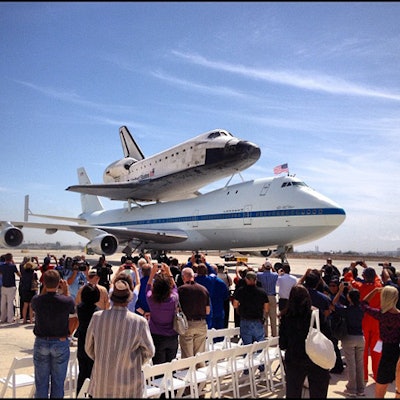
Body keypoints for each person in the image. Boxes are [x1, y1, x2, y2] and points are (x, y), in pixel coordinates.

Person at [85, 279, 155, 398]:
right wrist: (133, 362)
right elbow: (150, 351)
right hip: (129, 385)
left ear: (112, 298)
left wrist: (104, 359)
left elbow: (88, 348)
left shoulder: (97, 317)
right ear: (129, 299)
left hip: (102, 382)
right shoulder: (139, 322)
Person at [279, 284, 330, 398]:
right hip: (316, 358)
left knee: (293, 392)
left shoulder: (286, 316)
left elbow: (282, 344)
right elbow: (328, 335)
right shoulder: (316, 314)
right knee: (319, 392)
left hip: (295, 359)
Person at [31, 270, 75, 398]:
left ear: (44, 283)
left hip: (41, 341)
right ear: (58, 283)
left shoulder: (37, 300)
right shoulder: (66, 301)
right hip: (60, 342)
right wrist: (66, 290)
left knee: (41, 382)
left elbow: (39, 300)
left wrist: (46, 287)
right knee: (58, 382)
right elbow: (71, 307)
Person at [344, 264, 382, 382]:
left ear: (364, 277)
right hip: (376, 322)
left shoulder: (359, 286)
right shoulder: (379, 286)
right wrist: (366, 266)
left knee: (363, 351)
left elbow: (348, 278)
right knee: (376, 350)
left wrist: (351, 267)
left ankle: (364, 376)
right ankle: (377, 375)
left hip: (364, 321)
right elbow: (376, 277)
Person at [361, 285, 400, 398]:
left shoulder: (381, 314)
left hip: (386, 353)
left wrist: (375, 291)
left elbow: (363, 304)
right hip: (397, 351)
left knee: (379, 392)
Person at [332, 283, 365, 397]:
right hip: (360, 337)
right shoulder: (361, 308)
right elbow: (360, 301)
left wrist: (340, 291)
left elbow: (334, 303)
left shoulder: (346, 310)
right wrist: (352, 291)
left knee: (351, 365)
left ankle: (352, 388)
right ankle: (361, 389)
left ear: (349, 298)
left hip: (349, 338)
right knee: (359, 364)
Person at [146, 262, 179, 365]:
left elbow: (147, 288)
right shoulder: (173, 299)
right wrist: (169, 273)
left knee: (159, 368)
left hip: (157, 336)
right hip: (172, 336)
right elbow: (174, 287)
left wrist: (152, 274)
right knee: (170, 367)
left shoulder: (151, 298)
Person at [177, 267, 210, 360]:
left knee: (188, 357)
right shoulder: (203, 289)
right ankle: (199, 372)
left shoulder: (181, 290)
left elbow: (177, 308)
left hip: (187, 324)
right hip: (201, 323)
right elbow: (207, 311)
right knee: (200, 356)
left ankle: (189, 373)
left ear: (183, 277)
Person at [76, 283, 101, 396]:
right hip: (94, 344)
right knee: (93, 375)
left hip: (82, 342)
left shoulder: (80, 308)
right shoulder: (98, 312)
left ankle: (80, 394)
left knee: (82, 373)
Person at [232, 270, 269, 346]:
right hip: (258, 320)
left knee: (247, 346)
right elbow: (266, 308)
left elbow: (235, 305)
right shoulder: (262, 292)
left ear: (246, 279)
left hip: (245, 320)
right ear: (256, 280)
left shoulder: (241, 291)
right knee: (259, 346)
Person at [195, 263, 229, 330]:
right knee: (219, 334)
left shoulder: (195, 281)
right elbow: (226, 296)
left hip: (203, 310)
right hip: (218, 310)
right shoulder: (219, 282)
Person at [256, 260, 278, 336]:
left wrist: (262, 268)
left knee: (264, 316)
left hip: (264, 297)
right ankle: (274, 334)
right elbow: (276, 273)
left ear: (264, 267)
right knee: (273, 317)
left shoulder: (260, 275)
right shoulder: (275, 275)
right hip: (272, 297)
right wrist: (272, 268)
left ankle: (265, 334)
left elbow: (258, 272)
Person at [0, 253, 21, 323]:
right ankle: (10, 319)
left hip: (4, 286)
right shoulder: (13, 266)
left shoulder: (1, 266)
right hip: (11, 286)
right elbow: (19, 275)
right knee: (10, 303)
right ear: (11, 259)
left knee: (3, 303)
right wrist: (13, 263)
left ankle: (2, 318)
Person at [216, 263, 233, 328]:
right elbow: (231, 283)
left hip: (218, 296)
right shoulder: (226, 276)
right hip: (225, 295)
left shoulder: (216, 276)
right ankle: (225, 326)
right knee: (226, 312)